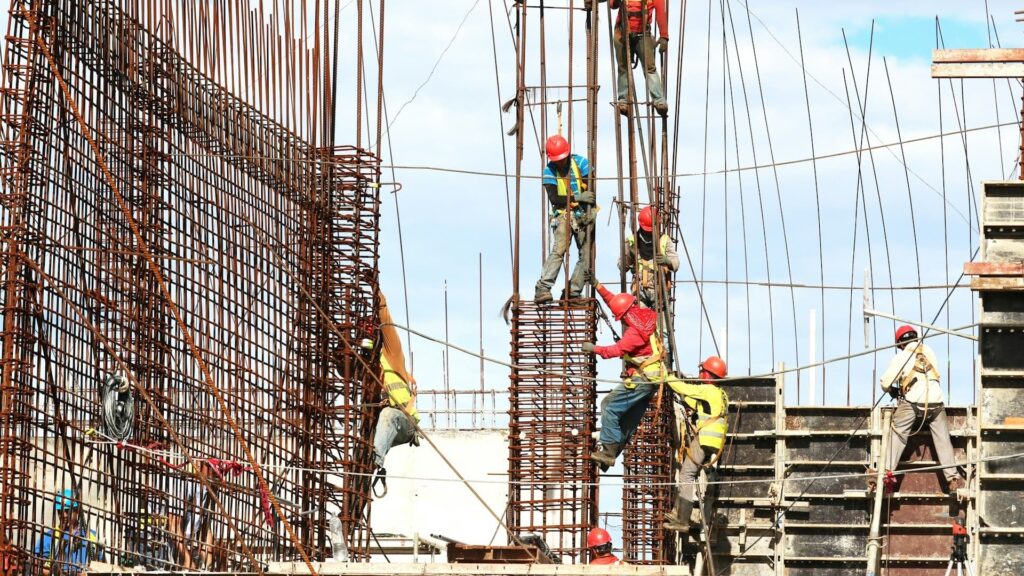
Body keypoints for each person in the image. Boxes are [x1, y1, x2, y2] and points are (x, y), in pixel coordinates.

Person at [583, 282, 664, 470]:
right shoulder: (644, 315)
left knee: (609, 406)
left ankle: (609, 452)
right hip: (651, 380)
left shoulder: (635, 332)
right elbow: (616, 302)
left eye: (621, 318)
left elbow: (617, 350)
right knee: (628, 421)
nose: (621, 322)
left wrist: (594, 348)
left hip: (642, 379)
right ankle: (609, 456)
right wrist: (597, 285)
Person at [877, 325, 964, 493]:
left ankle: (886, 472)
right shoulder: (929, 351)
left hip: (912, 403)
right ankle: (952, 478)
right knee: (943, 440)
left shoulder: (903, 355)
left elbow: (885, 382)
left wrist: (893, 391)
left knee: (898, 434)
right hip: (936, 404)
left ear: (900, 343)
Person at [663, 356, 730, 534]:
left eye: (703, 371)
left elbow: (683, 387)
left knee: (687, 474)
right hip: (714, 442)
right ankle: (677, 512)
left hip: (705, 439)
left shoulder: (707, 389)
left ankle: (682, 519)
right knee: (689, 473)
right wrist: (683, 399)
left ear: (708, 374)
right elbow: (699, 404)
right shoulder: (721, 394)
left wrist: (667, 376)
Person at [370, 291, 420, 494]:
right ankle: (369, 462)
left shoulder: (391, 355)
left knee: (389, 414)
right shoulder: (368, 367)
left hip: (405, 422)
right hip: (385, 428)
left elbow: (386, 323)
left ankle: (376, 460)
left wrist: (378, 296)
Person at [535, 135, 595, 303]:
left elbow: (590, 190)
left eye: (562, 159)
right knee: (559, 250)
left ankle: (573, 292)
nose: (560, 163)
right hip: (562, 215)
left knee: (587, 255)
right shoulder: (549, 171)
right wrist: (578, 197)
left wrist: (591, 208)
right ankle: (543, 288)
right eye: (557, 160)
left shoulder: (581, 163)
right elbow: (554, 199)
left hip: (582, 215)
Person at [609, 0, 669, 116]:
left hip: (643, 35)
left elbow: (661, 13)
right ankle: (623, 100)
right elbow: (612, 5)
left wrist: (664, 36)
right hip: (622, 33)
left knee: (649, 68)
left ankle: (659, 101)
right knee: (623, 68)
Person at [620, 204, 679, 309]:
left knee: (662, 325)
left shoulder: (664, 240)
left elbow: (676, 263)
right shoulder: (631, 241)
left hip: (660, 293)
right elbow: (622, 266)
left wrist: (667, 261)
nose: (649, 233)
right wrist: (629, 257)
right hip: (640, 292)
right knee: (641, 322)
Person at [34, 489, 103, 576]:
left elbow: (101, 566)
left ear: (77, 510)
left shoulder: (91, 536)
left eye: (68, 511)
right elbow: (36, 565)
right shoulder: (49, 536)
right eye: (60, 512)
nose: (64, 515)